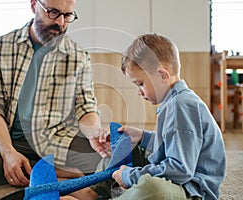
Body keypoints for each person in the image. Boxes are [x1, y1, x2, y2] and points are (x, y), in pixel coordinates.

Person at [0, 0, 110, 191]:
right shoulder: (1, 47)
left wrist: (94, 133)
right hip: (9, 142)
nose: (61, 23)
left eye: (67, 15)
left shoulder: (78, 56)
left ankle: (25, 170)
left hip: (57, 141)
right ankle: (47, 170)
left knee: (107, 159)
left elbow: (86, 106)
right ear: (34, 6)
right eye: (54, 12)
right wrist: (8, 153)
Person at [67, 33, 226, 200]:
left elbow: (181, 170)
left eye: (140, 83)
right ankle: (94, 191)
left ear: (163, 75)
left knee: (152, 188)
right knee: (124, 145)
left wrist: (130, 175)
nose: (139, 92)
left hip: (191, 190)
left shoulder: (182, 105)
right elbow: (171, 146)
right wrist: (142, 137)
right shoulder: (173, 101)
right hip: (179, 178)